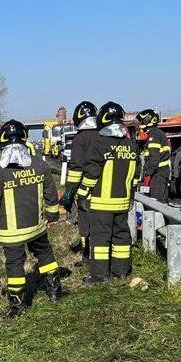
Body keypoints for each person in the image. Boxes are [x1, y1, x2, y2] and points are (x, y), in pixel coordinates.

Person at [0, 120, 63, 317]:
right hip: (37, 227)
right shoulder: (39, 164)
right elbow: (50, 192)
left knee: (14, 265)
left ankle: (18, 306)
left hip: (11, 233)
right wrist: (52, 215)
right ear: (25, 139)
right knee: (45, 255)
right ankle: (55, 291)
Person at [79, 101, 140, 283]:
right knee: (121, 236)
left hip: (101, 203)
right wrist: (130, 195)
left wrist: (82, 194)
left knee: (100, 239)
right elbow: (135, 175)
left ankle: (99, 275)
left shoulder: (99, 143)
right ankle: (121, 271)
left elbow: (91, 172)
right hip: (123, 201)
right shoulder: (131, 145)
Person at [62, 101, 99, 265]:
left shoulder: (80, 139)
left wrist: (69, 193)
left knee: (86, 223)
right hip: (104, 188)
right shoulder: (103, 136)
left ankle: (87, 255)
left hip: (85, 190)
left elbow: (76, 169)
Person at [137, 108, 171, 203]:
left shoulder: (154, 135)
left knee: (158, 202)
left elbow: (154, 158)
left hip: (157, 173)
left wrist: (147, 174)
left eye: (142, 120)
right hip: (159, 172)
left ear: (148, 120)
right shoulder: (156, 133)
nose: (141, 123)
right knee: (161, 200)